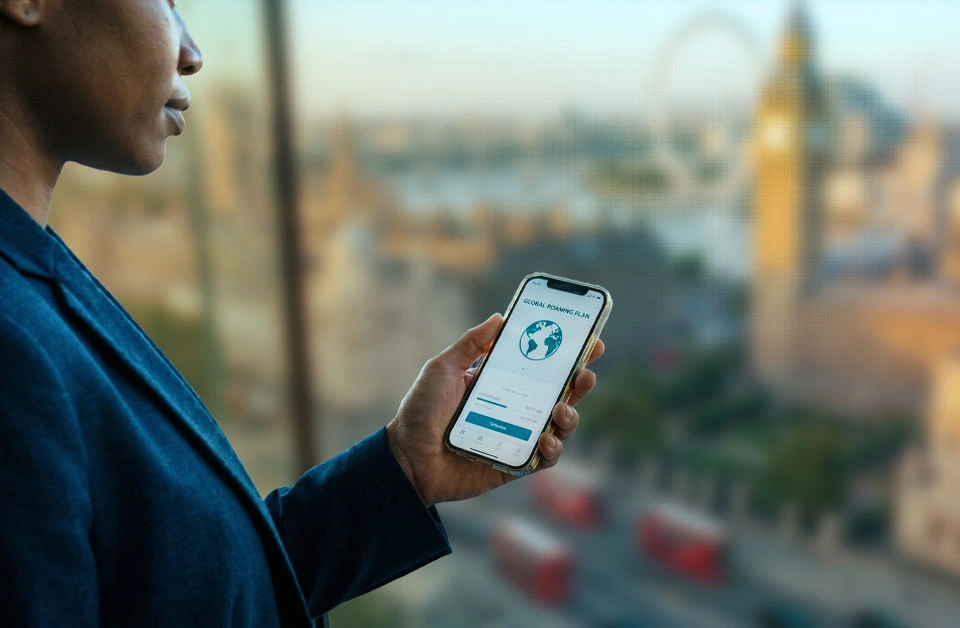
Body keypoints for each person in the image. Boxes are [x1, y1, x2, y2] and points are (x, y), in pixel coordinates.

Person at [0, 1, 603, 626]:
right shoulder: (11, 343)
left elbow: (193, 593)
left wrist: (403, 468)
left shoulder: (34, 274)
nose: (191, 51)